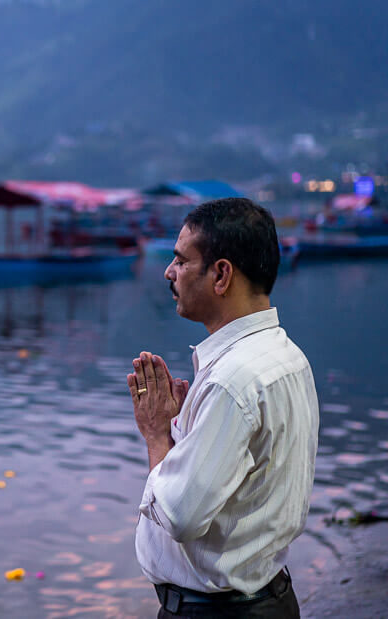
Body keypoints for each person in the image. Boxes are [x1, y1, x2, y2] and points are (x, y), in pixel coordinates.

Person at [128, 197, 319, 618]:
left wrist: (158, 434)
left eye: (181, 261)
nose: (169, 272)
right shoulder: (287, 357)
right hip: (268, 597)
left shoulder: (233, 379)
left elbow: (181, 515)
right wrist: (185, 433)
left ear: (221, 275)